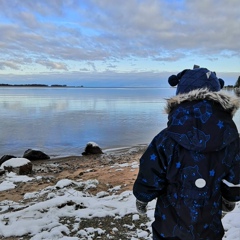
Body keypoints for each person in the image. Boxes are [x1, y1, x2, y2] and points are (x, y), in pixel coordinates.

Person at [133, 67, 240, 240]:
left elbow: (150, 170)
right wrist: (230, 198)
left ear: (180, 96)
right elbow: (235, 173)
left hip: (169, 222)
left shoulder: (166, 138)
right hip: (209, 223)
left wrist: (143, 196)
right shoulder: (231, 138)